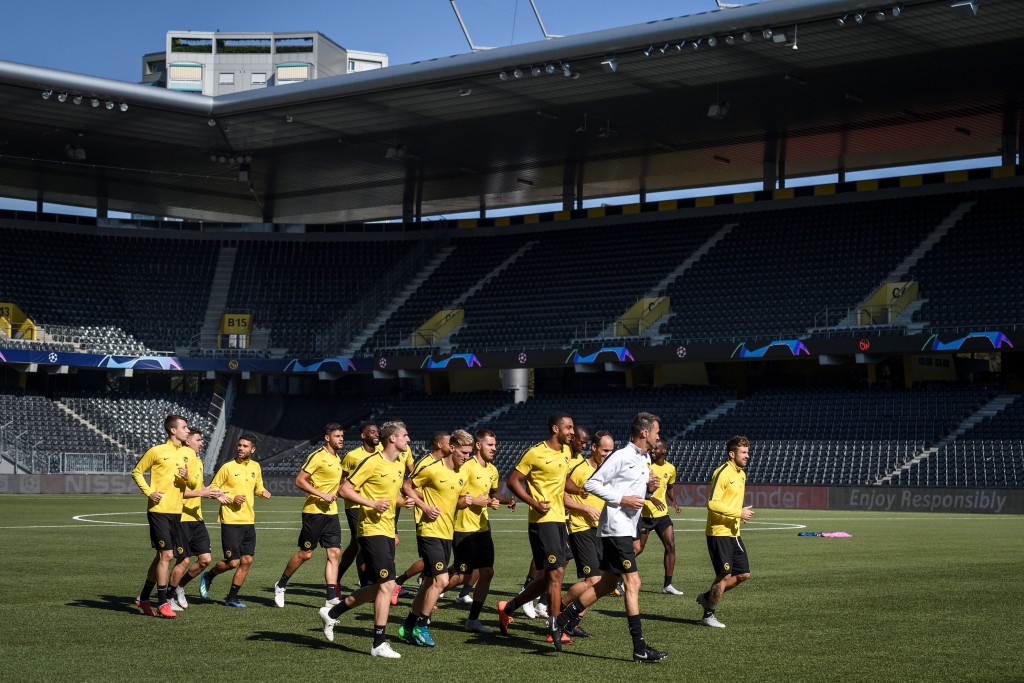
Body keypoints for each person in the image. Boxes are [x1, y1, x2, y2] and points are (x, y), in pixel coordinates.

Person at [549, 412, 668, 664]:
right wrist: (621, 499)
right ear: (645, 433)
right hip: (616, 529)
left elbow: (631, 487)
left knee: (605, 584)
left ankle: (559, 621)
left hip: (625, 528)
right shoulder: (621, 455)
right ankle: (639, 648)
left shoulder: (644, 457)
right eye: (656, 431)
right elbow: (593, 484)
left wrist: (648, 487)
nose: (659, 436)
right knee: (632, 583)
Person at [319, 420, 410, 659]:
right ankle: (378, 642)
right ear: (392, 439)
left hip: (388, 530)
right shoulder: (372, 462)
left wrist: (405, 502)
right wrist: (371, 503)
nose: (408, 440)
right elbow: (344, 490)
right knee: (388, 586)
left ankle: (332, 613)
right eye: (405, 436)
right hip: (371, 529)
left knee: (379, 588)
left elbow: (393, 496)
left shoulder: (399, 465)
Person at [497, 412, 574, 641]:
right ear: (555, 429)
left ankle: (509, 607)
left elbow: (563, 480)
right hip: (542, 521)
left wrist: (579, 490)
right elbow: (512, 480)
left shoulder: (567, 452)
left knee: (551, 577)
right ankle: (554, 626)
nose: (572, 432)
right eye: (568, 428)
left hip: (560, 520)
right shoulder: (535, 453)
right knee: (556, 573)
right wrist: (532, 502)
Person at [396, 429, 474, 647]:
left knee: (429, 582)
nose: (466, 457)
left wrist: (464, 501)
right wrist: (424, 506)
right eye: (464, 452)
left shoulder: (463, 472)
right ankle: (422, 626)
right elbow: (406, 486)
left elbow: (455, 501)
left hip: (447, 533)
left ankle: (408, 626)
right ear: (452, 448)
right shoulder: (430, 468)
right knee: (442, 580)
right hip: (429, 531)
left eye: (469, 453)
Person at [445, 428, 515, 633]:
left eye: (495, 445)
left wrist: (504, 501)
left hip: (483, 528)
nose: (495, 448)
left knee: (487, 572)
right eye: (490, 445)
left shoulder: (492, 470)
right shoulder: (466, 468)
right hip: (463, 529)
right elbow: (452, 499)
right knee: (461, 576)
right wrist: (473, 501)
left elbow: (492, 495)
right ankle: (428, 594)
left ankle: (473, 620)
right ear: (478, 445)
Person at [273, 423, 346, 608]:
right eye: (337, 436)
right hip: (313, 513)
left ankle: (330, 597)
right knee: (306, 554)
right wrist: (322, 494)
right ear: (328, 438)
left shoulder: (338, 459)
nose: (341, 439)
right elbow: (299, 480)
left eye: (342, 436)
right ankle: (281, 584)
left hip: (332, 513)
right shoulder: (317, 456)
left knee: (334, 553)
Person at [130, 414, 195, 618]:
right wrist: (149, 492)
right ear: (173, 431)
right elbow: (137, 472)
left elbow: (193, 485)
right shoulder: (157, 451)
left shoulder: (188, 454)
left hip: (177, 511)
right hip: (158, 511)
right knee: (167, 555)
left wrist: (188, 478)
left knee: (161, 556)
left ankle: (143, 597)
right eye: (184, 427)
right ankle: (163, 602)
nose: (188, 431)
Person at [200, 434, 271, 607]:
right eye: (239, 445)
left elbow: (258, 486)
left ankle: (231, 597)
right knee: (233, 562)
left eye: (245, 446)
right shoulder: (227, 467)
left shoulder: (256, 466)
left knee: (247, 561)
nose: (240, 448)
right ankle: (209, 575)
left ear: (252, 450)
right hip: (231, 520)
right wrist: (231, 498)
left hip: (248, 520)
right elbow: (214, 488)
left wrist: (263, 492)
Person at [559, 428, 615, 638]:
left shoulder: (609, 470)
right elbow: (564, 498)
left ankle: (572, 621)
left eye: (611, 451)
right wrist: (586, 508)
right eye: (604, 450)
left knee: (602, 583)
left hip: (602, 530)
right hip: (581, 527)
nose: (607, 455)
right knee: (593, 580)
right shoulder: (580, 469)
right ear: (594, 448)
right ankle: (558, 610)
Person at [696, 435, 754, 628]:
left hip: (734, 532)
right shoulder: (722, 472)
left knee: (743, 574)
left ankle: (707, 597)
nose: (747, 456)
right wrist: (738, 512)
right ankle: (708, 614)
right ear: (732, 454)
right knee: (724, 574)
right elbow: (712, 503)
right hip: (719, 532)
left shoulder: (741, 474)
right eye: (743, 452)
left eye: (748, 452)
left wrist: (739, 516)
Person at [391, 431, 450, 604]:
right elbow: (408, 487)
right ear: (439, 444)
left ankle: (422, 592)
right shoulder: (426, 463)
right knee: (431, 561)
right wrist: (428, 499)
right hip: (425, 518)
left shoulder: (446, 464)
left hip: (442, 519)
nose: (452, 445)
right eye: (449, 442)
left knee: (437, 562)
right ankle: (402, 584)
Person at [167, 428, 223, 611]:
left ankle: (180, 587)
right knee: (182, 560)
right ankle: (168, 598)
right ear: (188, 441)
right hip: (181, 518)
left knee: (205, 559)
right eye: (198, 440)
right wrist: (202, 492)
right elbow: (179, 492)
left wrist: (215, 494)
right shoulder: (180, 459)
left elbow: (200, 487)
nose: (201, 443)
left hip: (196, 517)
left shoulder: (197, 461)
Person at [636, 438, 684, 595]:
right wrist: (650, 497)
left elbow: (669, 486)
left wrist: (674, 502)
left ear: (664, 450)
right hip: (644, 514)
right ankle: (616, 576)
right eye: (652, 449)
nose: (653, 451)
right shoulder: (646, 465)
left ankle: (667, 585)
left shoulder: (670, 468)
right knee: (638, 548)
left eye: (656, 448)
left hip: (662, 514)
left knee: (671, 546)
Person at [337, 422, 380, 589]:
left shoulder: (382, 454)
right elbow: (343, 479)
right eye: (372, 432)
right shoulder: (352, 456)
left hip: (373, 505)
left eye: (377, 432)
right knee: (363, 543)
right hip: (355, 505)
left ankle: (337, 577)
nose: (376, 435)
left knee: (356, 544)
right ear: (363, 436)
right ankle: (366, 583)